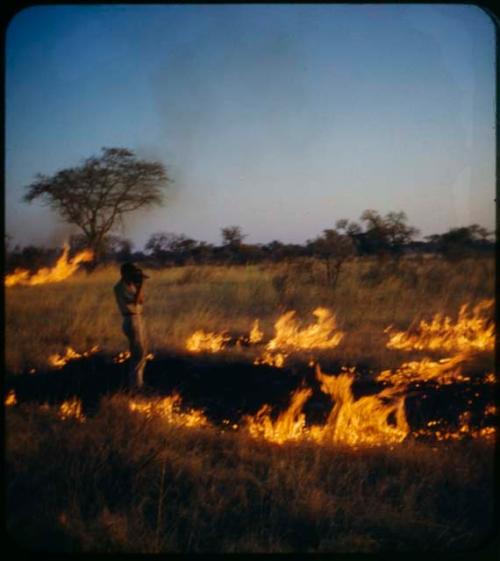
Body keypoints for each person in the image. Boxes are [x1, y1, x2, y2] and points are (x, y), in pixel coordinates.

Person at [114, 262, 149, 389]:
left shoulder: (131, 285)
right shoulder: (120, 287)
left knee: (142, 352)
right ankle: (136, 386)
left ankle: (139, 383)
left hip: (137, 317)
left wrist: (138, 285)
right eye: (132, 273)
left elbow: (141, 300)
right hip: (131, 319)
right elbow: (135, 301)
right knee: (138, 353)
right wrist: (141, 285)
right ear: (125, 273)